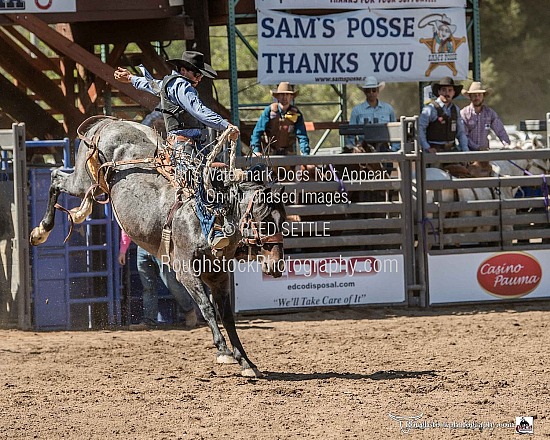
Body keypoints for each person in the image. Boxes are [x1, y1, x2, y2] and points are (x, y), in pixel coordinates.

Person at [113, 50, 239, 252]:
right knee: (199, 181)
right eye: (196, 74)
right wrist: (224, 124)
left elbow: (151, 85)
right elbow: (197, 109)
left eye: (200, 75)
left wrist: (130, 78)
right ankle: (212, 232)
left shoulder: (168, 83)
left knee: (214, 178)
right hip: (185, 145)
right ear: (183, 70)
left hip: (190, 144)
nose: (199, 79)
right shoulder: (181, 85)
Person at [119, 230, 199, 330]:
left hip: (160, 246)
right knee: (149, 287)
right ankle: (149, 320)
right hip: (144, 246)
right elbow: (127, 227)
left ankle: (189, 310)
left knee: (171, 283)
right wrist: (123, 250)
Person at [249, 82, 310, 156]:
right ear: (277, 96)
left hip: (289, 153)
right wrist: (255, 150)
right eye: (282, 94)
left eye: (287, 94)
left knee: (305, 167)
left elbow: (302, 135)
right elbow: (257, 132)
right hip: (270, 152)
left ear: (291, 97)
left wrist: (305, 152)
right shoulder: (269, 111)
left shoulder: (296, 113)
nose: (285, 97)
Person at [345, 76, 399, 152]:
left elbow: (395, 131)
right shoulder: (357, 110)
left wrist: (393, 149)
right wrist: (353, 149)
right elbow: (351, 133)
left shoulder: (388, 109)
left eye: (373, 90)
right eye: (368, 91)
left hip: (384, 147)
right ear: (364, 92)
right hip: (364, 148)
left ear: (378, 91)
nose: (371, 93)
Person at [419, 76, 468, 153]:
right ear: (439, 92)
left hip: (452, 150)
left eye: (450, 90)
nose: (447, 93)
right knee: (434, 165)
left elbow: (461, 132)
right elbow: (420, 129)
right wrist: (427, 147)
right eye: (444, 90)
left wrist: (465, 150)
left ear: (453, 93)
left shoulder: (455, 109)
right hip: (434, 151)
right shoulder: (430, 109)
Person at [460, 82, 511, 150]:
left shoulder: (490, 113)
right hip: (468, 152)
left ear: (483, 96)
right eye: (474, 95)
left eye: (479, 95)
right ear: (470, 96)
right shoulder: (464, 113)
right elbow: (463, 136)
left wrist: (507, 144)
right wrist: (477, 147)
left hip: (484, 152)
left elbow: (500, 130)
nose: (477, 97)